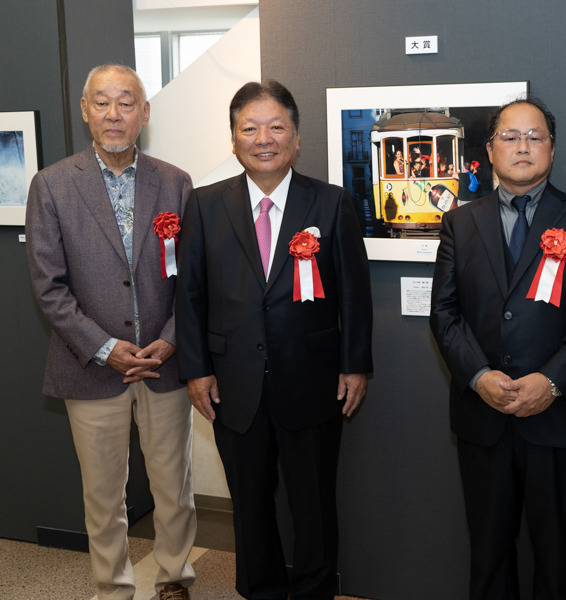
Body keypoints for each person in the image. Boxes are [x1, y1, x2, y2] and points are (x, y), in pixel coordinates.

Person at [175, 80, 373, 600]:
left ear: (297, 136)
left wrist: (355, 366)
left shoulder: (331, 204)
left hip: (312, 382)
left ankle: (312, 591)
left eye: (276, 126)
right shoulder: (204, 204)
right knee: (250, 501)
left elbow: (355, 293)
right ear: (234, 139)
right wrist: (196, 369)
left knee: (313, 502)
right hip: (232, 383)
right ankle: (259, 588)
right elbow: (190, 295)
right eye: (250, 128)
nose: (264, 138)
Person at [430, 97, 566, 600]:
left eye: (535, 136)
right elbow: (444, 315)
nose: (523, 146)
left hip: (558, 420)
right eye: (510, 137)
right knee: (489, 553)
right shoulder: (460, 223)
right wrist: (479, 376)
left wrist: (552, 381)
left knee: (557, 554)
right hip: (483, 418)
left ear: (552, 149)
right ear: (490, 150)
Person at [25, 64, 196, 600]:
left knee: (174, 487)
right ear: (85, 111)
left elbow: (195, 278)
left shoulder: (175, 181)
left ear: (144, 114)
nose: (114, 114)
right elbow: (49, 286)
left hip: (164, 364)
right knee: (103, 494)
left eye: (127, 103)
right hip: (92, 368)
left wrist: (170, 337)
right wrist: (105, 348)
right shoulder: (51, 185)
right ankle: (113, 588)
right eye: (103, 102)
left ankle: (174, 577)